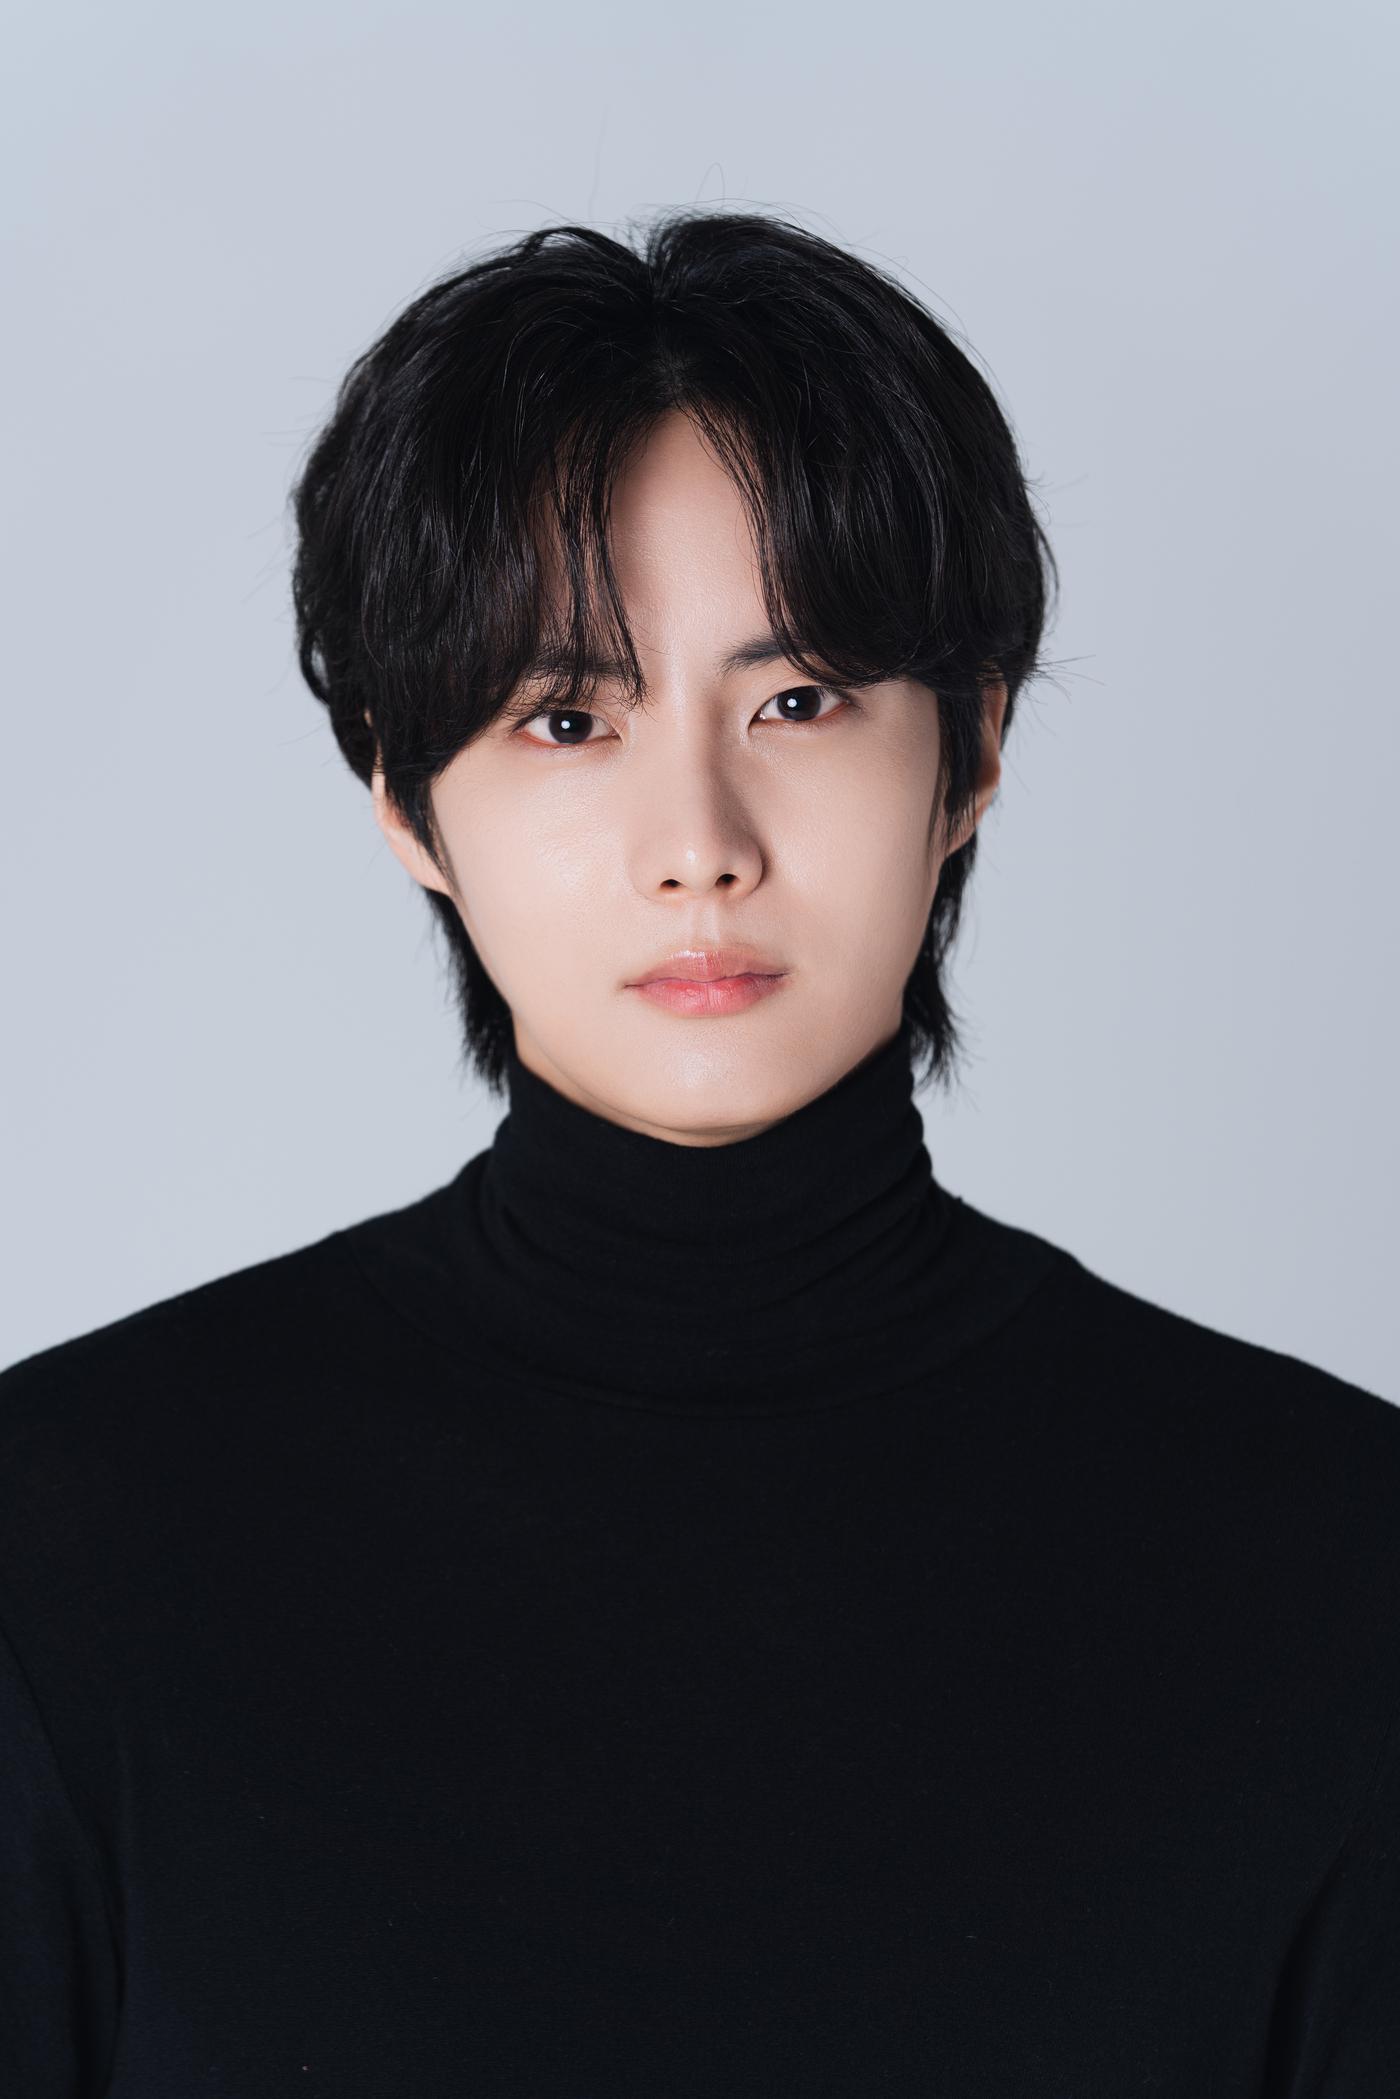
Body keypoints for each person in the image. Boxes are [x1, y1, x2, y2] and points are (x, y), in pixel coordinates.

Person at [1, 207, 1397, 2097]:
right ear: (404, 796)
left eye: (798, 701)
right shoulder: (67, 1538)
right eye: (567, 715)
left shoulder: (1333, 1561)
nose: (699, 845)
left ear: (974, 751)